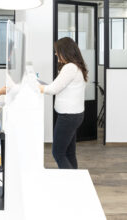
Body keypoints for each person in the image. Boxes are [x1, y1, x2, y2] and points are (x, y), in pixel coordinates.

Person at [39, 37, 87, 169]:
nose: (55, 54)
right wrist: (43, 86)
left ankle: (71, 184)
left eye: (57, 51)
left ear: (65, 52)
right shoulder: (75, 66)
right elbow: (58, 86)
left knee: (58, 153)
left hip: (68, 116)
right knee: (69, 153)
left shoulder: (70, 67)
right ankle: (74, 181)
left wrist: (35, 86)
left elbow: (52, 89)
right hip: (74, 115)